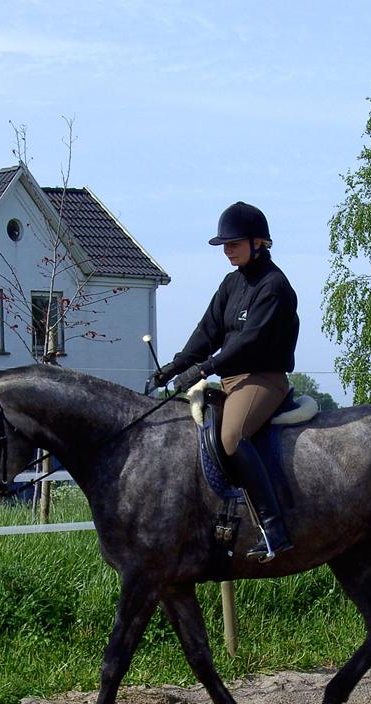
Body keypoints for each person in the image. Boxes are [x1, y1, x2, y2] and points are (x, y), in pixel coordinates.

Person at [149, 201, 300, 562]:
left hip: (263, 379)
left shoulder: (274, 286)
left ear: (258, 242)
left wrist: (202, 370)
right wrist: (174, 366)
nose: (227, 251)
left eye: (233, 244)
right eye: (224, 245)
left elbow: (249, 340)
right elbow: (208, 331)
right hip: (232, 378)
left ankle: (273, 528)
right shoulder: (232, 283)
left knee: (232, 436)